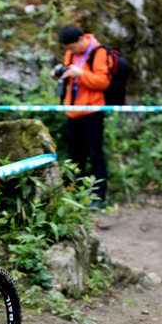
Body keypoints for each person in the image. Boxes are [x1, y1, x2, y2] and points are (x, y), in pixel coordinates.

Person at [54, 24, 111, 209]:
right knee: (74, 154)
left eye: (71, 48)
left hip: (93, 110)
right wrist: (60, 72)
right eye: (67, 50)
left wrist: (82, 74)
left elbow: (103, 82)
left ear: (81, 40)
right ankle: (74, 193)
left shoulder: (98, 52)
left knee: (95, 153)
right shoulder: (72, 53)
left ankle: (99, 197)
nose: (70, 52)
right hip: (73, 109)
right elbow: (69, 72)